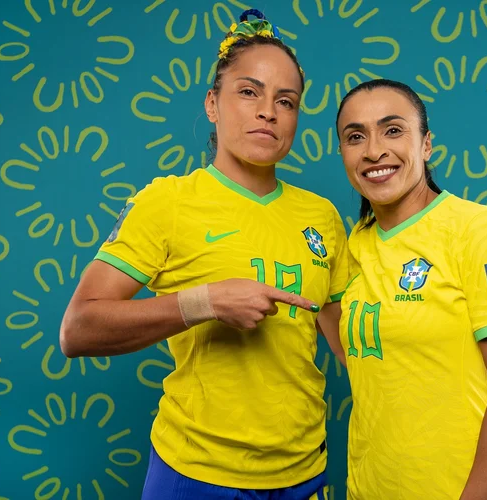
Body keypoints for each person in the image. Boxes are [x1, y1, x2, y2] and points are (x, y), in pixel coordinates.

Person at [60, 10, 347, 500]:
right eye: (249, 92)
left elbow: (348, 339)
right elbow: (78, 330)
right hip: (196, 475)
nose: (268, 112)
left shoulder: (322, 216)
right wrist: (205, 302)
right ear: (213, 104)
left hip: (305, 472)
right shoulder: (165, 202)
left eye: (287, 101)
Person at [334, 78, 487, 500]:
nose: (374, 150)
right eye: (356, 136)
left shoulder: (479, 230)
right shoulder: (353, 245)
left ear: (426, 144)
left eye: (393, 130)